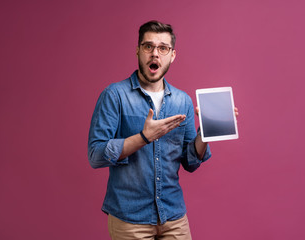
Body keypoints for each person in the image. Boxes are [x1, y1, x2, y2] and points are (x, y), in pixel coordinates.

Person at [88, 20, 238, 240]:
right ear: (138, 50)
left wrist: (206, 132)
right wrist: (143, 137)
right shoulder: (114, 95)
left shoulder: (182, 101)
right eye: (148, 46)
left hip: (173, 217)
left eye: (163, 48)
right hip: (130, 219)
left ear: (172, 55)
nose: (155, 54)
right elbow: (96, 155)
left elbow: (190, 162)